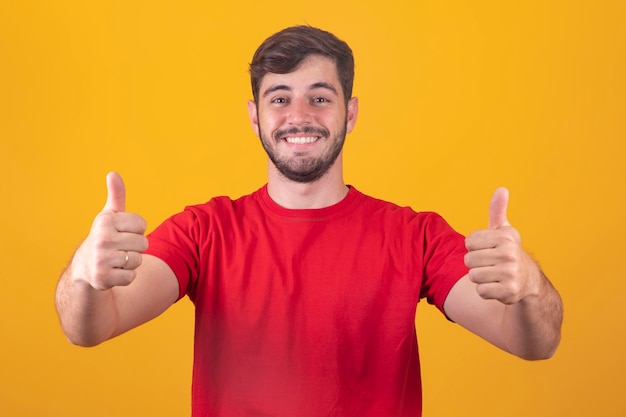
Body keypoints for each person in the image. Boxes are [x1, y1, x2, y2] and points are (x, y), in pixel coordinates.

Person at [55, 25, 563, 417]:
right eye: (280, 98)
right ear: (255, 115)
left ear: (351, 111)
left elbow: (532, 343)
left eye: (320, 97)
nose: (300, 115)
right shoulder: (205, 230)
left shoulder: (416, 236)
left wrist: (528, 287)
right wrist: (85, 275)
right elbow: (92, 328)